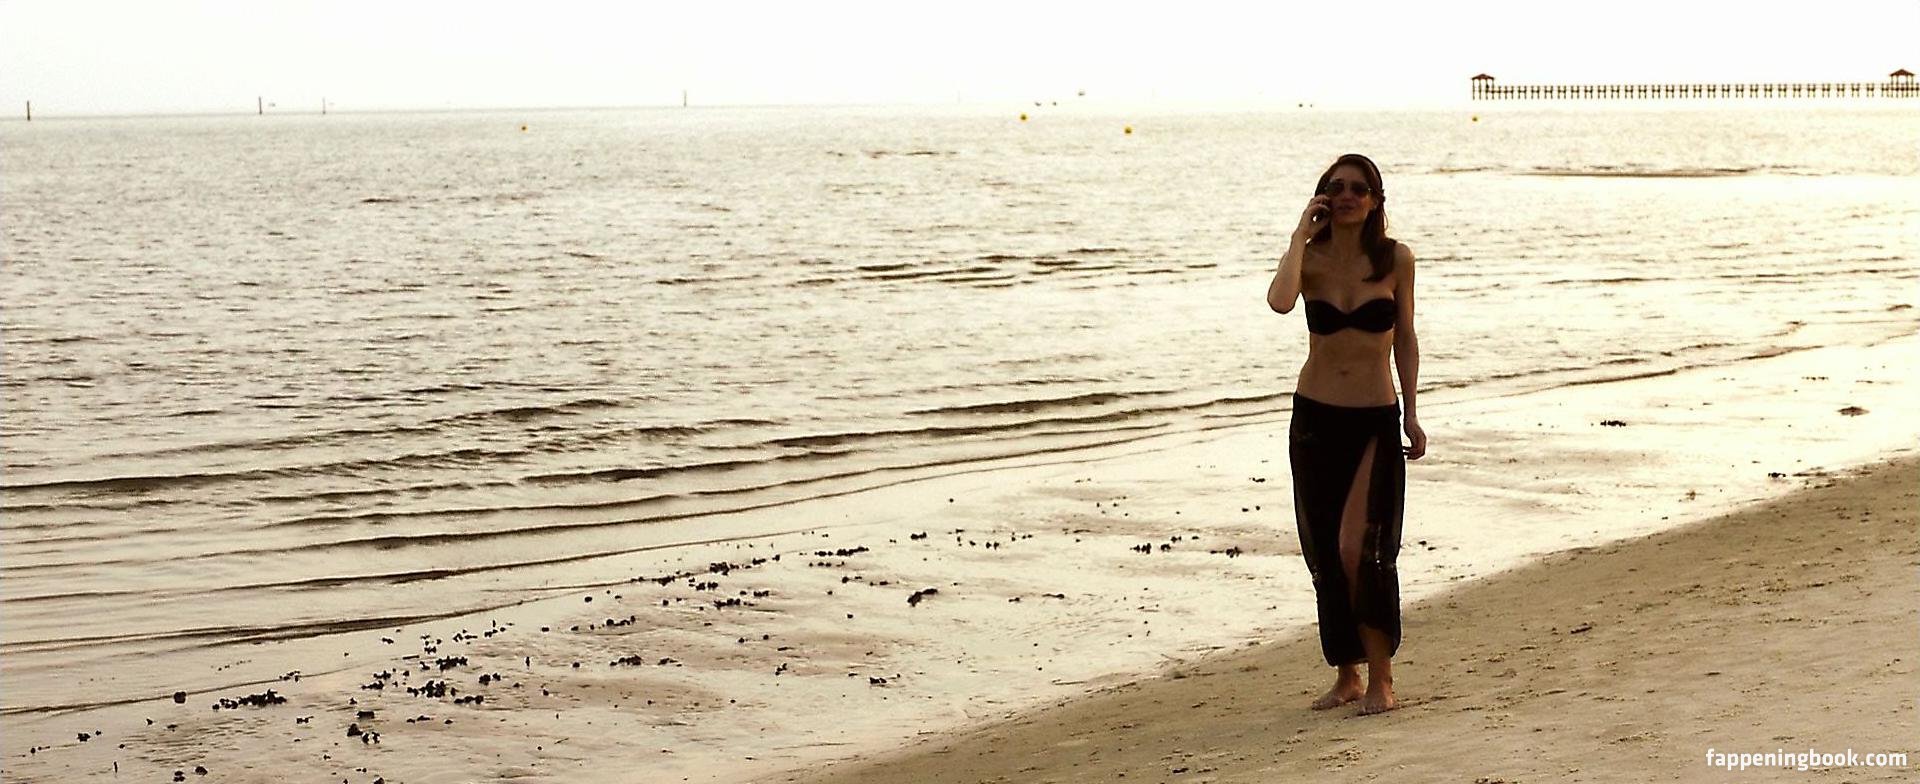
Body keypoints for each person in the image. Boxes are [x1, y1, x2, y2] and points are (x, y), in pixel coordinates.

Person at [1264, 153, 1426, 715]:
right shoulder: (1308, 260)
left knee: (1364, 548)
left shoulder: (1396, 258)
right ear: (1323, 197)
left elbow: (1406, 337)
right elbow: (1280, 301)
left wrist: (1411, 412)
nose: (1348, 196)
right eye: (1337, 188)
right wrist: (1297, 236)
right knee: (1327, 552)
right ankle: (1347, 676)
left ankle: (1382, 678)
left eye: (1360, 188)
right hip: (1315, 418)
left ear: (1376, 200)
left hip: (1374, 418)